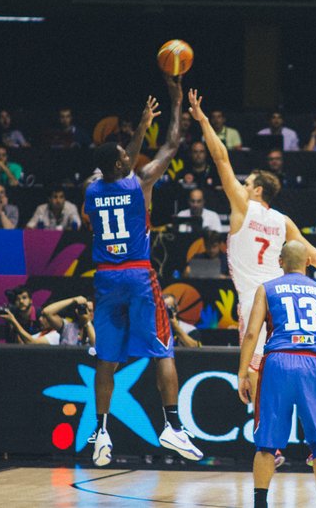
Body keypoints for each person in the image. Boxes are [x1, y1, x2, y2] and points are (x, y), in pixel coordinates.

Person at [190, 87, 316, 464]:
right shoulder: (283, 221)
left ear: (256, 189)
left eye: (247, 182)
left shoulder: (243, 206)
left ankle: (271, 445)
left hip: (257, 302)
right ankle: (315, 442)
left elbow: (220, 158)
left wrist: (203, 121)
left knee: (257, 371)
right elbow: (313, 256)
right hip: (284, 301)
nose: (242, 185)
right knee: (298, 367)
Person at [85, 76, 203, 467]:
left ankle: (101, 431)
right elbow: (171, 144)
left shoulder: (91, 189)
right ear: (122, 164)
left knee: (106, 358)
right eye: (125, 155)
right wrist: (174, 103)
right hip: (137, 275)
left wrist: (139, 128)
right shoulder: (141, 183)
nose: (130, 156)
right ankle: (172, 426)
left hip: (106, 277)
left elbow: (117, 165)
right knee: (163, 349)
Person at [238, 241, 316, 508]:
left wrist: (243, 372)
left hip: (277, 363)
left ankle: (260, 503)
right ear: (308, 262)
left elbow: (251, 333)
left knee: (266, 443)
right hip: (312, 365)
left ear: (280, 262)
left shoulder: (266, 289)